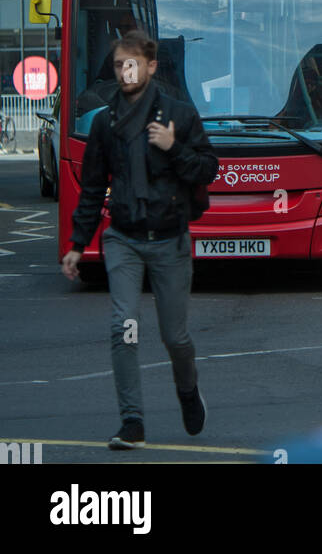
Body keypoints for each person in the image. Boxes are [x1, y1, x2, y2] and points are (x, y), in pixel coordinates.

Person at [61, 29, 218, 451]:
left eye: (131, 63)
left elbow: (207, 170)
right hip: (124, 240)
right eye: (117, 64)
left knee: (175, 337)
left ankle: (188, 391)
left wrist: (172, 147)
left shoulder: (179, 116)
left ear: (150, 66)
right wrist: (77, 243)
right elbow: (93, 186)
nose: (124, 71)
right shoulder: (105, 122)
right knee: (123, 328)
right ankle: (132, 422)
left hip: (169, 240)